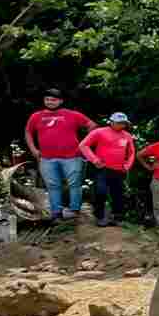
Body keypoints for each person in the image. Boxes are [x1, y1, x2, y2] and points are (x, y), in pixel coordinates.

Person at [24, 88, 95, 221]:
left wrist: (83, 145)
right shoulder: (36, 116)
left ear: (60, 101)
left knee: (75, 184)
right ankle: (56, 213)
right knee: (52, 186)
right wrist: (33, 149)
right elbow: (28, 132)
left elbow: (92, 125)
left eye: (53, 100)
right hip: (47, 158)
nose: (50, 102)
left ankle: (75, 210)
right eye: (47, 99)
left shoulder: (72, 114)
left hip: (72, 156)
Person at [80, 112, 135, 227]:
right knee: (101, 191)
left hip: (119, 170)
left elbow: (131, 152)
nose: (121, 125)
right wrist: (94, 160)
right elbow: (83, 145)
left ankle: (117, 217)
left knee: (118, 194)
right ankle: (100, 216)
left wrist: (127, 165)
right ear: (111, 122)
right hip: (102, 168)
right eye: (119, 123)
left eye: (123, 123)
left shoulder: (127, 135)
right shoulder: (99, 132)